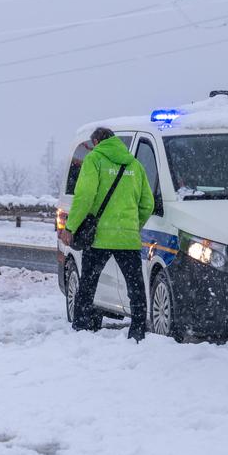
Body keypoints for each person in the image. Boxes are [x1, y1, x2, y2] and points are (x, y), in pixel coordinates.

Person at [61, 128, 155, 340]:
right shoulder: (135, 165)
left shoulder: (94, 159)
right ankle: (138, 331)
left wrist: (71, 227)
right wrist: (133, 225)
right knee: (135, 287)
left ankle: (82, 329)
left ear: (96, 141)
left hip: (98, 238)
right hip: (128, 238)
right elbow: (147, 204)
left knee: (88, 284)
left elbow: (85, 196)